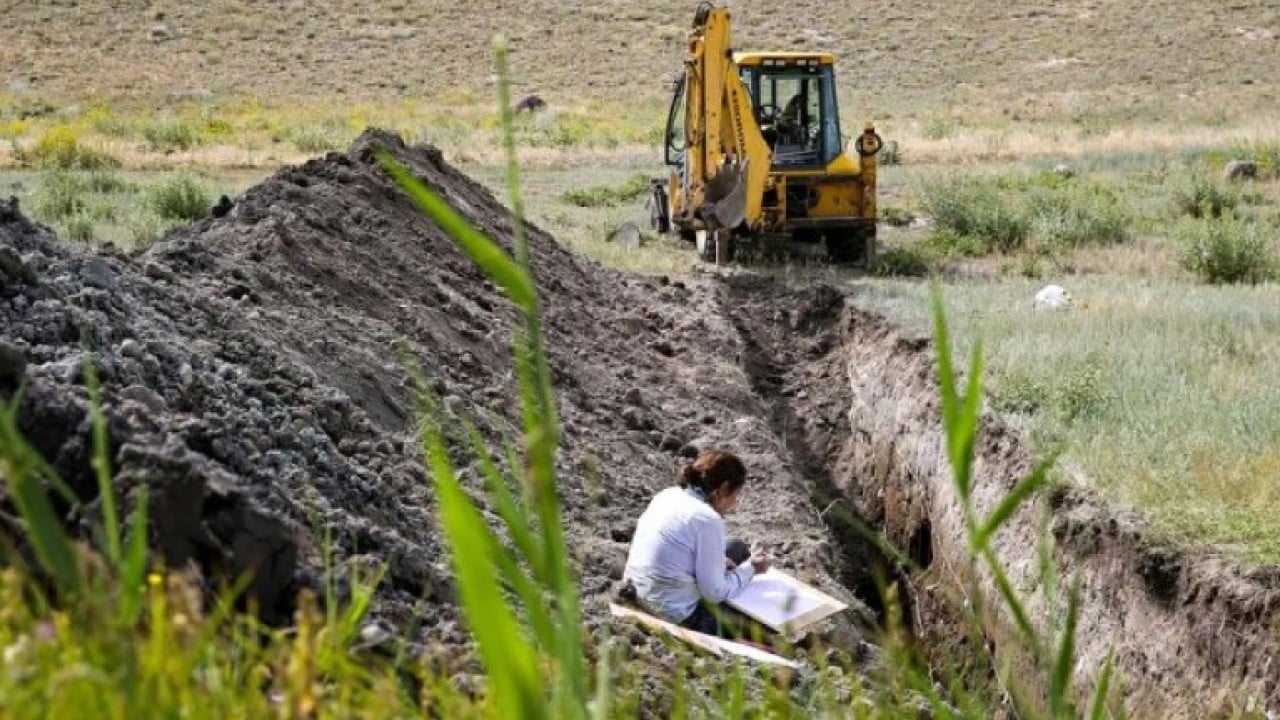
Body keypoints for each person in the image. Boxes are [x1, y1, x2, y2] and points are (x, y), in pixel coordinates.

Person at [621, 450, 770, 638]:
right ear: (723, 489)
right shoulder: (706, 519)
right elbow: (714, 593)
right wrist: (752, 569)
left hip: (637, 594)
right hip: (675, 616)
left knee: (735, 547)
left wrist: (719, 563)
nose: (734, 503)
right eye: (734, 495)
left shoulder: (668, 495)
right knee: (761, 629)